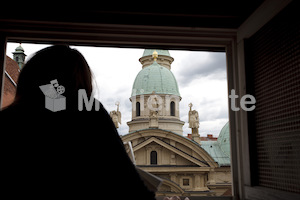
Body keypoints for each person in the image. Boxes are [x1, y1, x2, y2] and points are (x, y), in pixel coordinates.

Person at [1, 45, 156, 199]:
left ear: (29, 78)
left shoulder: (9, 120)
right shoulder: (89, 115)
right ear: (79, 83)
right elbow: (132, 188)